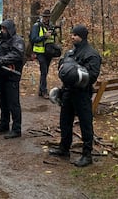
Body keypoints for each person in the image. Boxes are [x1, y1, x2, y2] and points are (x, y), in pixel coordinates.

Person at [49, 24, 101, 167]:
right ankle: (64, 148)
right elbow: (63, 68)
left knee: (85, 123)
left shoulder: (91, 54)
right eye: (72, 34)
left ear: (82, 36)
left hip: (82, 94)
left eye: (75, 35)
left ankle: (87, 154)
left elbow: (92, 76)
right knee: (65, 121)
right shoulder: (71, 52)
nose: (72, 37)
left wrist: (76, 72)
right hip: (67, 92)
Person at [0, 19, 25, 139]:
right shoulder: (0, 41)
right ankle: (4, 124)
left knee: (13, 103)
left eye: (4, 29)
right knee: (2, 102)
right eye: (1, 28)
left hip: (11, 76)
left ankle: (16, 129)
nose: (2, 31)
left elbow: (17, 54)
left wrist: (2, 60)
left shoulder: (17, 40)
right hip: (1, 75)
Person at [29, 9, 56, 99]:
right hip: (40, 52)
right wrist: (44, 36)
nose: (46, 18)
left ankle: (41, 90)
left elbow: (52, 38)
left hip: (49, 52)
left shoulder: (51, 25)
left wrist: (53, 33)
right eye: (44, 17)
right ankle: (44, 91)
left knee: (45, 71)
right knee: (44, 71)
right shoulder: (36, 26)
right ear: (42, 17)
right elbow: (33, 39)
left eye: (47, 17)